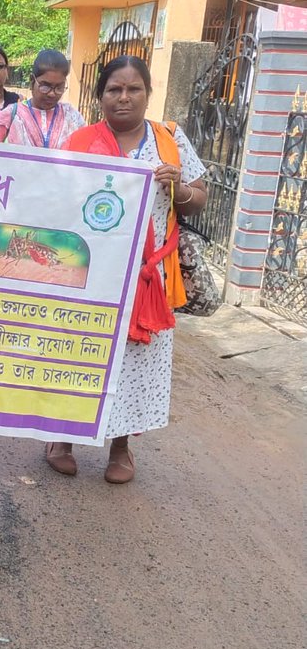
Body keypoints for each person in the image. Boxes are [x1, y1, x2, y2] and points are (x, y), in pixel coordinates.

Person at [47, 55, 207, 483]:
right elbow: (55, 198)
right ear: (100, 97)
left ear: (147, 94)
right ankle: (62, 438)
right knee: (79, 354)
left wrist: (181, 187)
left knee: (135, 363)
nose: (123, 97)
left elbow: (201, 197)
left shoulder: (170, 139)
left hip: (148, 279)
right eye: (114, 90)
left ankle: (122, 449)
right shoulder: (81, 141)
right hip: (91, 273)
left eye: (133, 89)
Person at [0, 49, 84, 148]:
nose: (52, 94)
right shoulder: (9, 116)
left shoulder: (73, 117)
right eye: (45, 86)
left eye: (59, 87)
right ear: (32, 81)